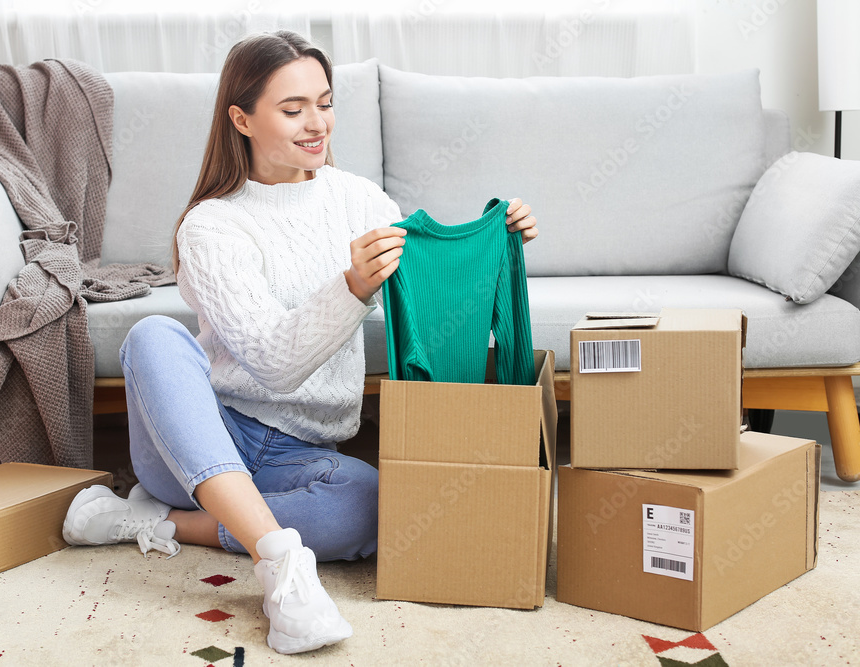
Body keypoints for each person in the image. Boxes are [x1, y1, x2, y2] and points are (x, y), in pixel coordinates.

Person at [61, 29, 538, 655]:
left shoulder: (360, 199)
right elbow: (272, 365)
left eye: (325, 102)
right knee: (153, 335)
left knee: (369, 509)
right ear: (242, 119)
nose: (317, 124)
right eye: (293, 110)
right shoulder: (213, 225)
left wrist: (496, 247)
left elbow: (427, 297)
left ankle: (150, 520)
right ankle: (280, 562)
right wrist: (350, 286)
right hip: (205, 434)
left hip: (301, 454)